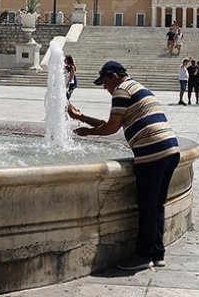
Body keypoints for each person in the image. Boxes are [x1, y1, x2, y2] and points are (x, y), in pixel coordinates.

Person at [67, 61, 180, 271]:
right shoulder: (135, 87)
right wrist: (81, 118)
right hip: (170, 149)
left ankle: (143, 256)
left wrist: (87, 132)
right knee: (157, 205)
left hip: (152, 152)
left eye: (104, 82)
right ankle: (157, 253)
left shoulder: (121, 90)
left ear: (113, 76)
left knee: (147, 206)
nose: (104, 88)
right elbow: (114, 124)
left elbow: (110, 128)